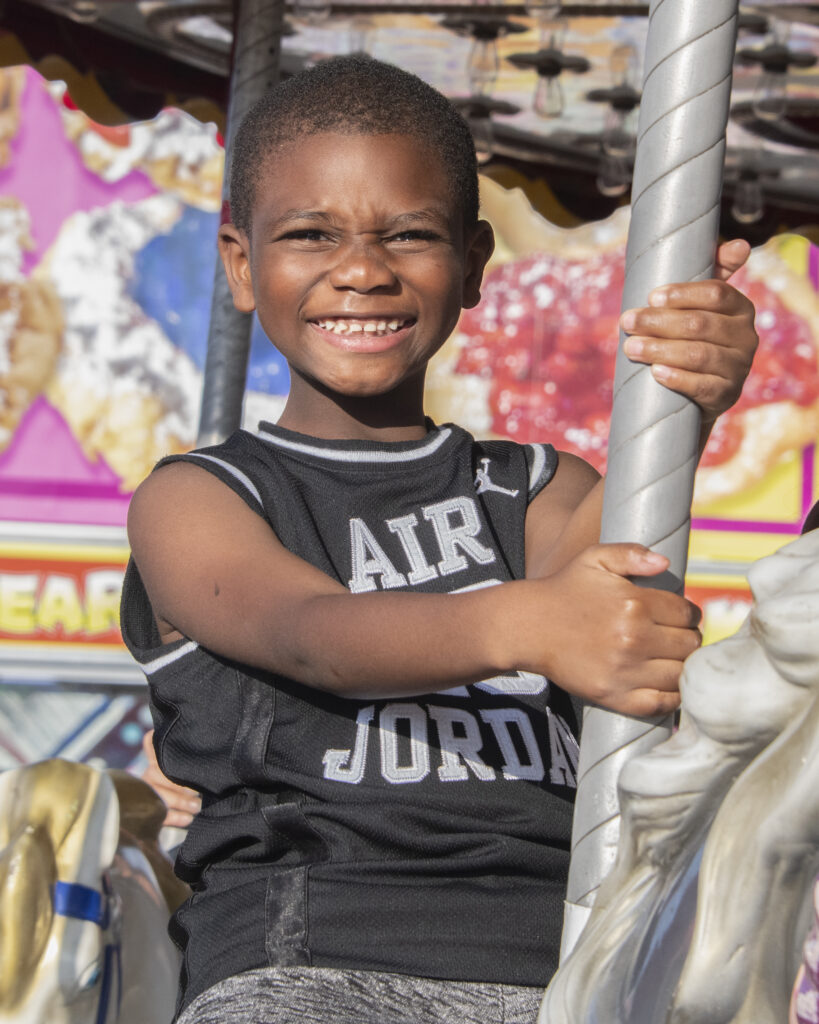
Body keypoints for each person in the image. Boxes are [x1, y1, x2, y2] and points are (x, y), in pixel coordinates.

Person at [120, 56, 758, 1024]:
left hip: (562, 962)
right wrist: (524, 623)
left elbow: (613, 578)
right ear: (244, 266)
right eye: (310, 235)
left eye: (409, 236)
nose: (364, 270)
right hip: (310, 957)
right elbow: (309, 633)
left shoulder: (538, 487)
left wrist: (689, 398)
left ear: (471, 265)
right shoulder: (202, 496)